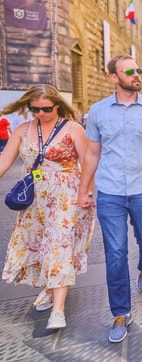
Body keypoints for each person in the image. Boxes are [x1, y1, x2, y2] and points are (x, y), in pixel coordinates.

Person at [78, 54, 142, 343]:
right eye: (130, 71)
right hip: (109, 191)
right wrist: (85, 189)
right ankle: (120, 313)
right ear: (114, 77)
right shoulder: (98, 112)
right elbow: (93, 153)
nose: (137, 75)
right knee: (116, 253)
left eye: (139, 70)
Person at [0, 84, 96, 331]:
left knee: (58, 245)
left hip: (67, 195)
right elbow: (4, 160)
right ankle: (49, 290)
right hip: (35, 195)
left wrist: (86, 192)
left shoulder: (73, 128)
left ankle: (58, 310)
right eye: (34, 109)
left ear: (57, 105)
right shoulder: (22, 129)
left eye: (46, 109)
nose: (40, 113)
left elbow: (88, 161)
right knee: (41, 245)